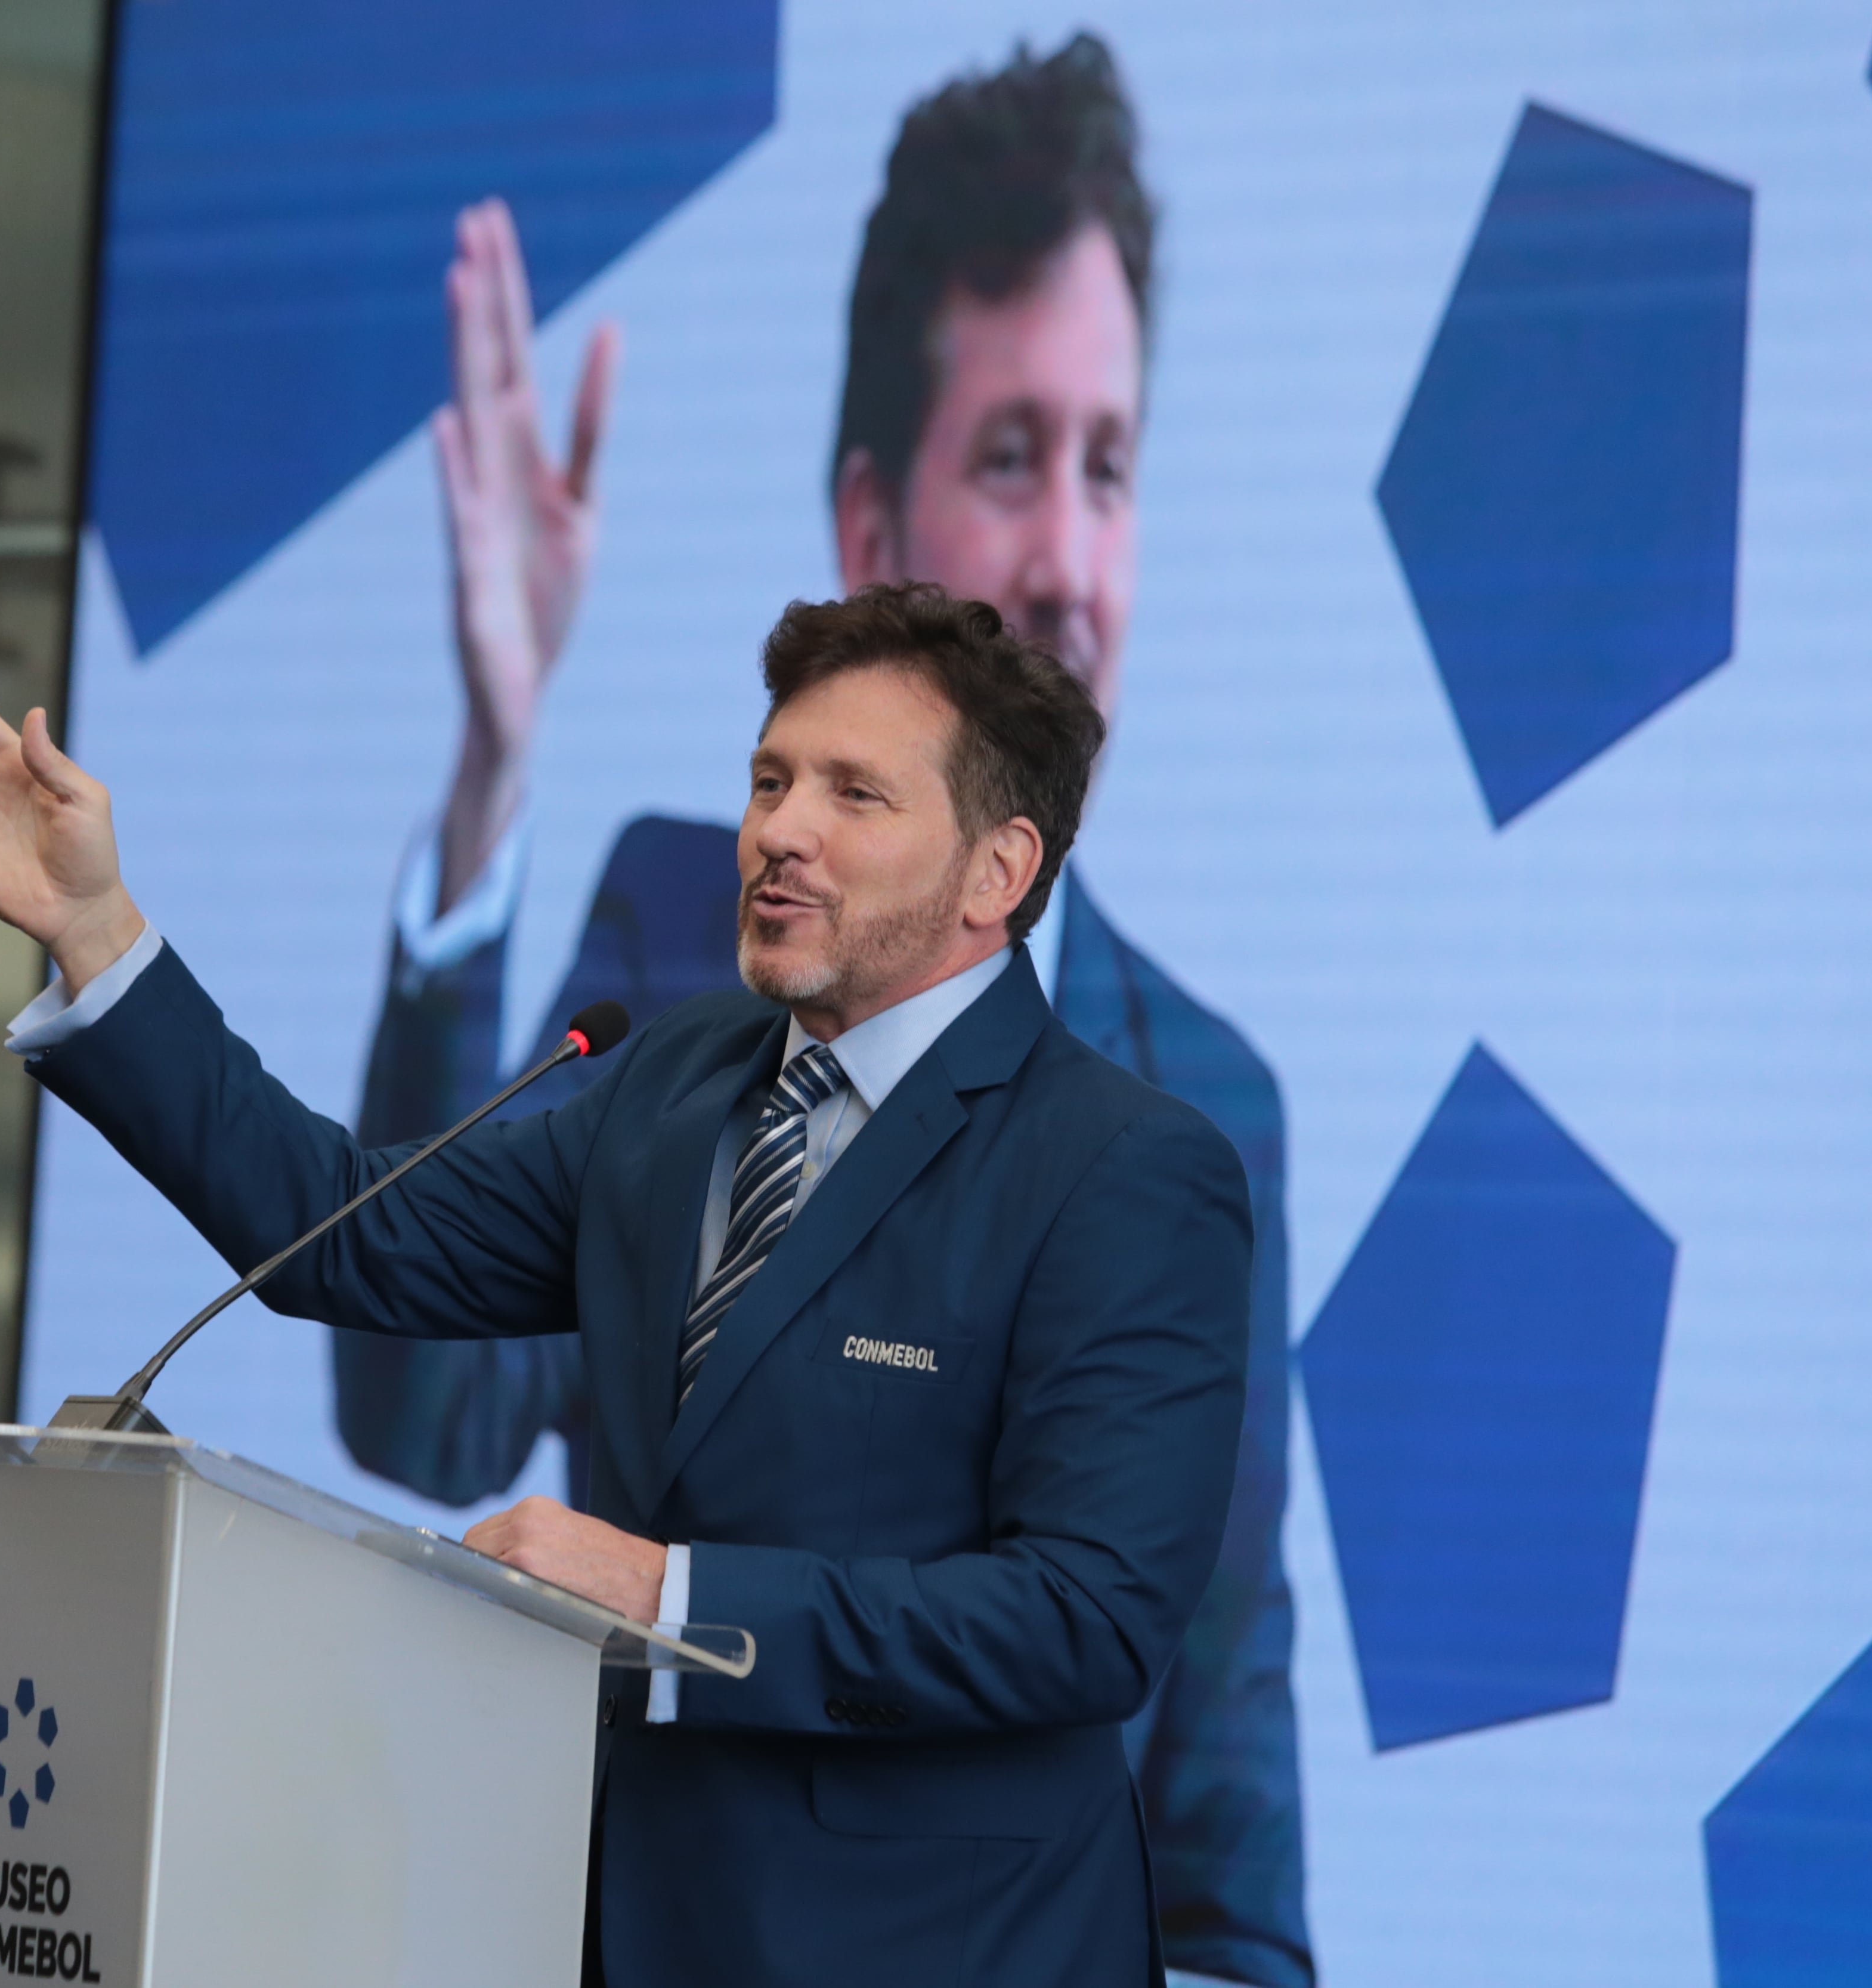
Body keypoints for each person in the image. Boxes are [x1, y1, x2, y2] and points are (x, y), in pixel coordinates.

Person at [0, 583, 1253, 1986]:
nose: (779, 829)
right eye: (769, 777)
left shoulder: (1122, 1167)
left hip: (933, 1944)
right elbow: (340, 1230)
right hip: (615, 1920)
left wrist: (669, 1591)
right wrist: (96, 932)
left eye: (854, 793)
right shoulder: (676, 1081)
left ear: (997, 870)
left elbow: (1089, 1616)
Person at [342, 35, 1310, 1986]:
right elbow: (423, 1401)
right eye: (1011, 455)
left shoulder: (1206, 1101)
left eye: (1109, 463)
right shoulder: (686, 943)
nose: (1067, 555)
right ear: (872, 526)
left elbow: (1213, 1682)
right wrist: (492, 764)